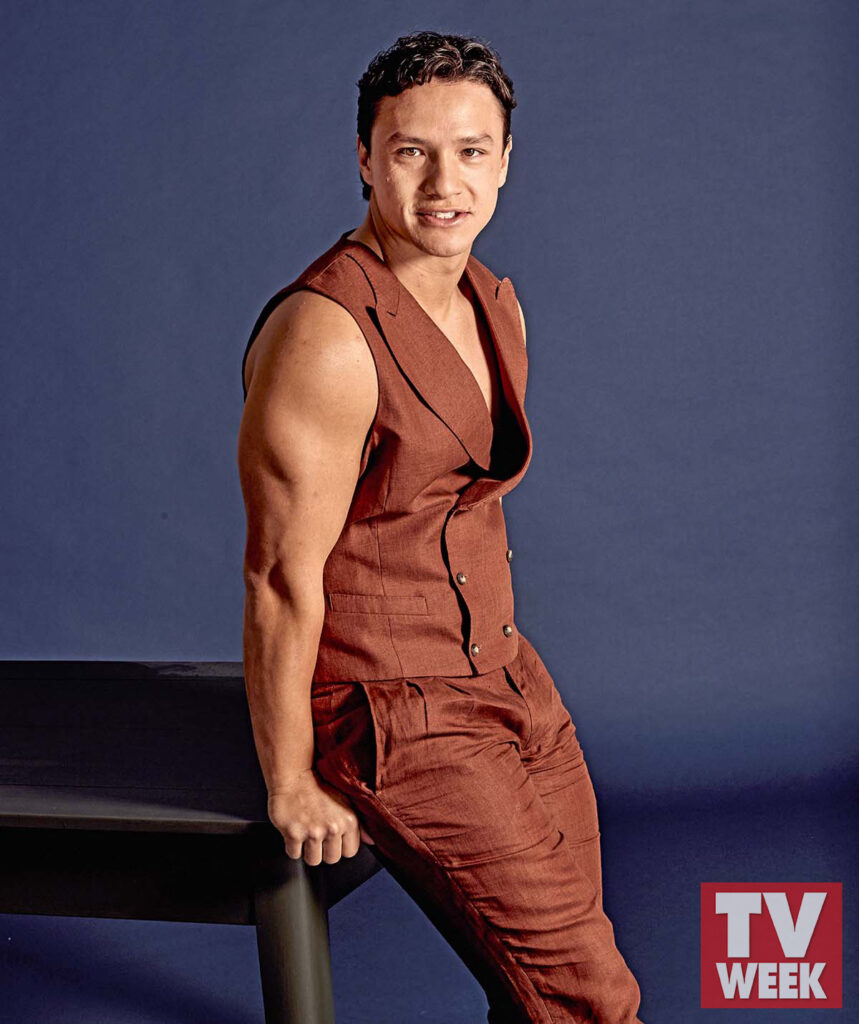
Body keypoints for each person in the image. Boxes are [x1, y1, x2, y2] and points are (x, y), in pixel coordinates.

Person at [238, 30, 645, 1024]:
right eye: (410, 150)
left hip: (508, 677)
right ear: (365, 157)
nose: (441, 182)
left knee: (556, 968)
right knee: (593, 998)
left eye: (469, 150)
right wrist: (290, 778)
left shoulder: (493, 301)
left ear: (505, 160)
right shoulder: (326, 338)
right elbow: (280, 578)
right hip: (394, 707)